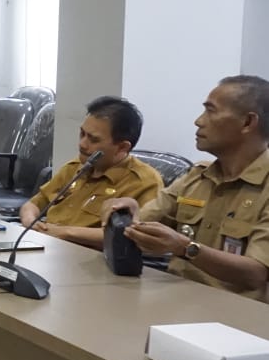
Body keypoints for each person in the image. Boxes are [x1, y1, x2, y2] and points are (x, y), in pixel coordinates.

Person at [107, 75, 269, 301]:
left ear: (248, 123)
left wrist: (186, 248)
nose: (199, 121)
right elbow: (145, 223)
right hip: (177, 300)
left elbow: (256, 273)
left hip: (236, 317)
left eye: (211, 111)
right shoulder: (197, 176)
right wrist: (129, 215)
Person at [19, 96, 162, 250]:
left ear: (122, 148)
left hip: (89, 258)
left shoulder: (144, 182)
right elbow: (35, 203)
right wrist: (30, 222)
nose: (82, 144)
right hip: (47, 245)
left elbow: (135, 235)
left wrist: (65, 233)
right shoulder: (76, 167)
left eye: (93, 140)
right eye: (82, 134)